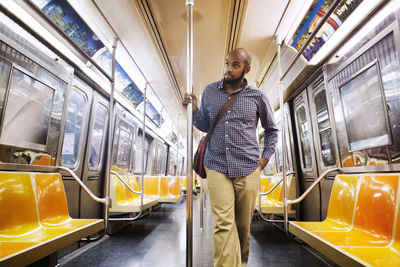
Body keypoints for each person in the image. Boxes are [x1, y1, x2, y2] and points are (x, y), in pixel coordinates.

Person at [183, 48, 278, 267]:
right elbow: (205, 125)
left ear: (247, 69)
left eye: (235, 65)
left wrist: (263, 160)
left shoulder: (258, 96)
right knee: (223, 225)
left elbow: (272, 130)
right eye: (227, 64)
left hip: (247, 167)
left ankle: (240, 264)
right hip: (216, 165)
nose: (228, 69)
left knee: (242, 227)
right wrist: (195, 110)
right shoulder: (209, 91)